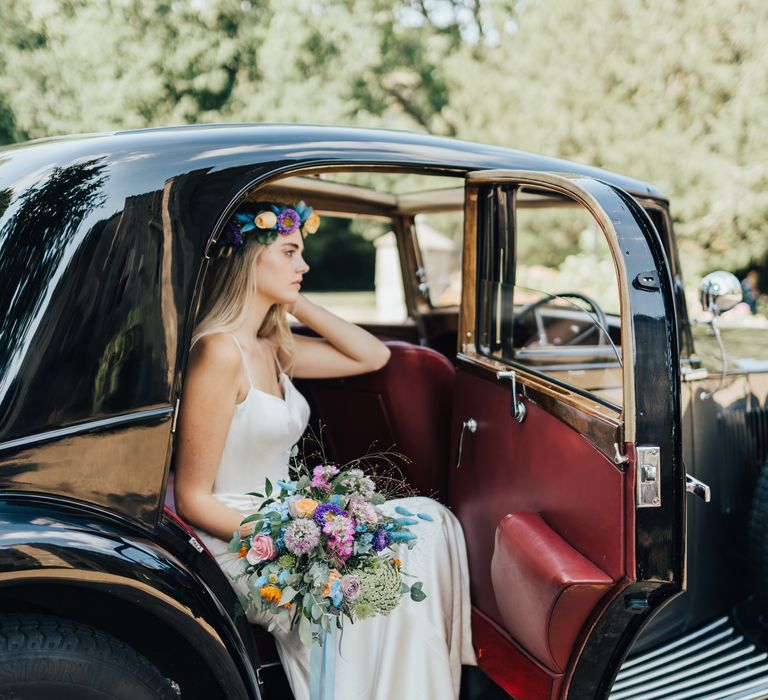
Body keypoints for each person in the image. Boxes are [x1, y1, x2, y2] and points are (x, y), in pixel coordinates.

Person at [174, 200, 476, 700]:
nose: (304, 266)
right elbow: (193, 499)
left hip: (293, 521)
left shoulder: (273, 347)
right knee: (379, 591)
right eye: (290, 252)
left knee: (427, 522)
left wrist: (297, 305)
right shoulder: (218, 351)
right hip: (241, 543)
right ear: (251, 261)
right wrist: (300, 539)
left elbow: (373, 356)